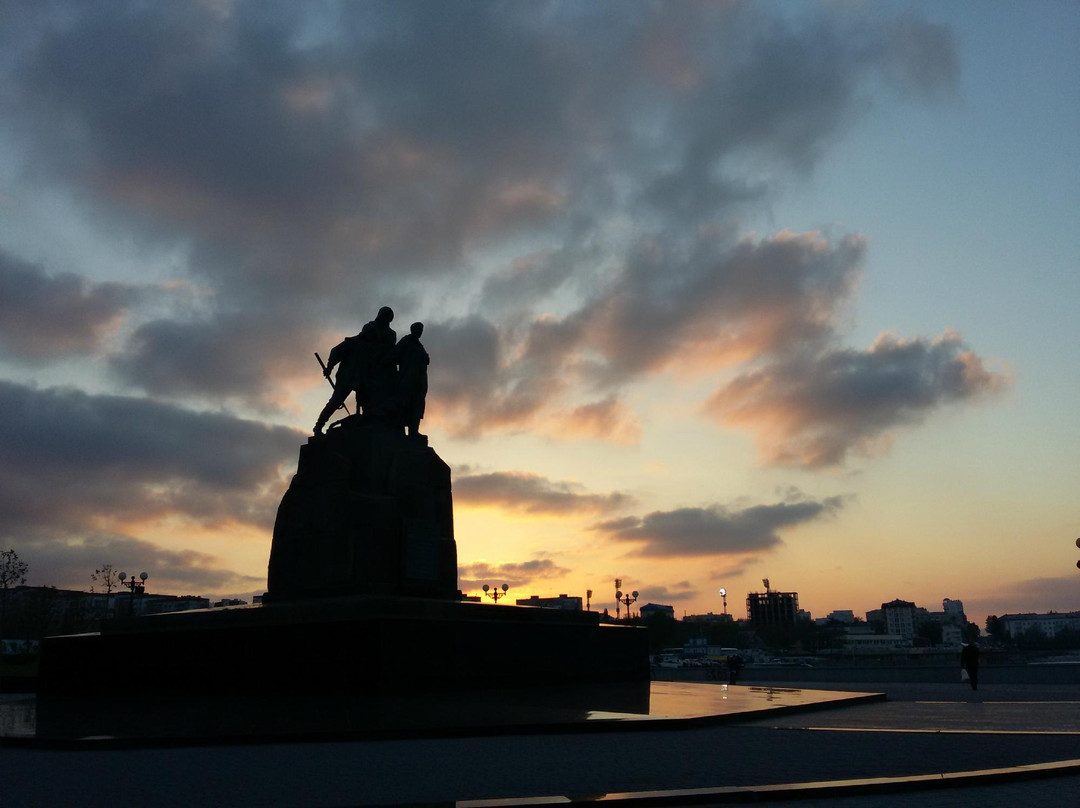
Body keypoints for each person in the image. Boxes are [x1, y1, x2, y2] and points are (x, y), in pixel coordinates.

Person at [314, 306, 396, 434]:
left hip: (364, 378)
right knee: (336, 401)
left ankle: (364, 426)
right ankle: (318, 426)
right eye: (370, 334)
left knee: (368, 402)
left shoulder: (373, 350)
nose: (372, 337)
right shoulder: (353, 342)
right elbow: (336, 351)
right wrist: (329, 368)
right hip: (347, 377)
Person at [391, 322, 429, 439]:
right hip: (408, 378)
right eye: (418, 329)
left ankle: (414, 431)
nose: (420, 332)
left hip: (420, 380)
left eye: (421, 330)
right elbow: (394, 356)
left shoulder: (419, 345)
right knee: (404, 403)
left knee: (417, 405)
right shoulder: (406, 341)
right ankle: (398, 429)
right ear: (413, 330)